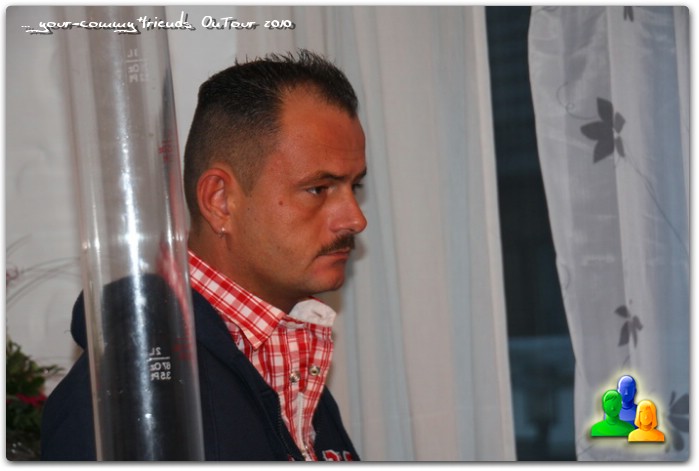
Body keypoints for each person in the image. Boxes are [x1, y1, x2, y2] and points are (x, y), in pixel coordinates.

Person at [41, 50, 366, 461]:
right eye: (318, 189)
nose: (355, 219)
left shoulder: (287, 357)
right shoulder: (131, 397)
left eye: (355, 187)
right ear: (220, 200)